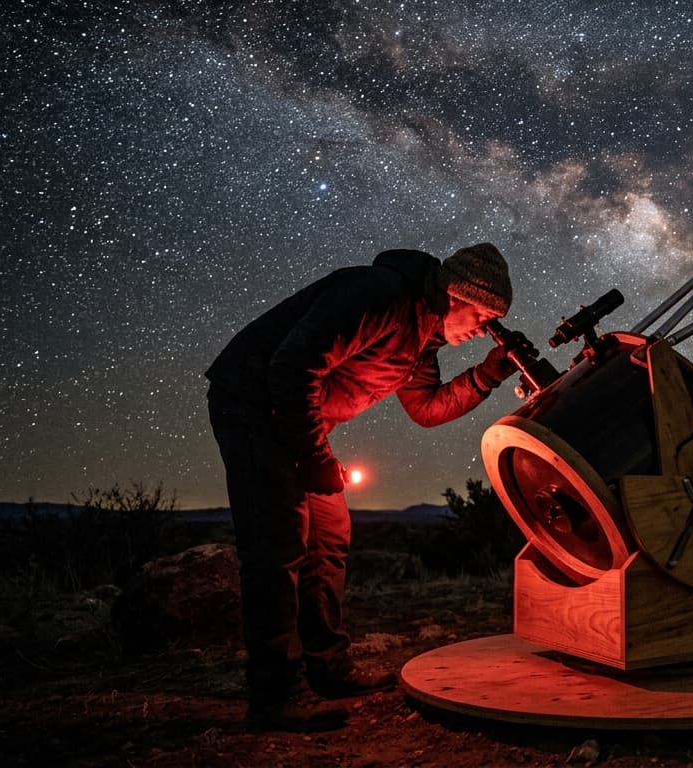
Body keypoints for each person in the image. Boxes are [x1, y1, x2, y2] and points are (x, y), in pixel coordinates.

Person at [205, 244, 519, 732]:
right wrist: (312, 455)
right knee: (278, 545)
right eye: (482, 314)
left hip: (301, 426)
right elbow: (292, 366)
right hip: (252, 405)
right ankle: (275, 695)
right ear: (455, 294)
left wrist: (487, 374)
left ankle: (328, 668)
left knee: (328, 540)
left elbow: (427, 409)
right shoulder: (379, 296)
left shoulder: (423, 340)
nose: (483, 327)